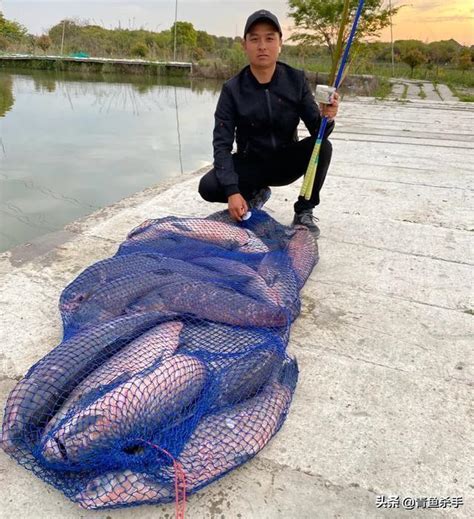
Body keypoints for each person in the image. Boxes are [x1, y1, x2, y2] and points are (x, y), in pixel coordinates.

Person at [198, 9, 339, 237]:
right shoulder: (232, 89)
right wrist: (233, 192)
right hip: (251, 163)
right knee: (208, 186)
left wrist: (327, 117)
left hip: (285, 161)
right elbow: (221, 145)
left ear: (280, 43)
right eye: (254, 39)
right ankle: (255, 193)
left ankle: (304, 210)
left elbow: (318, 130)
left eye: (269, 38)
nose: (262, 46)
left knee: (322, 147)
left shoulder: (296, 80)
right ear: (245, 45)